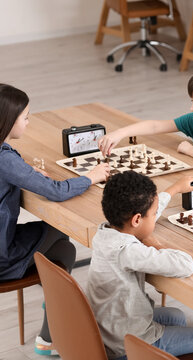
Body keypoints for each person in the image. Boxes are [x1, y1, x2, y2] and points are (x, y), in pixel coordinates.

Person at [0, 84, 110, 355]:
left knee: (65, 250)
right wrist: (92, 177)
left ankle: (50, 331)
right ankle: (55, 318)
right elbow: (56, 192)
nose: (28, 121)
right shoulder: (4, 159)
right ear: (8, 121)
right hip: (1, 256)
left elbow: (9, 172)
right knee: (59, 228)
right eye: (25, 117)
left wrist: (26, 174)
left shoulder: (6, 158)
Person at [86, 170, 193, 360]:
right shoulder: (128, 251)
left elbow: (144, 211)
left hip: (110, 328)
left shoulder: (106, 232)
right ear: (136, 220)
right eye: (153, 215)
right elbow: (186, 265)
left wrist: (175, 188)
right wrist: (154, 243)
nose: (155, 216)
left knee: (176, 316)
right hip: (125, 345)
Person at [98, 65, 193, 167]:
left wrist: (189, 150)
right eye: (192, 102)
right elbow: (155, 126)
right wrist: (120, 133)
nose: (192, 108)